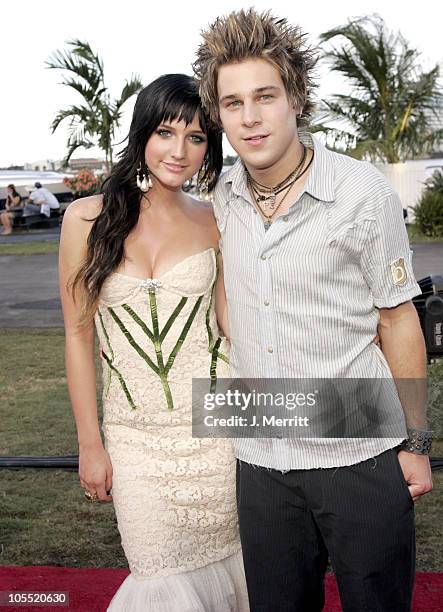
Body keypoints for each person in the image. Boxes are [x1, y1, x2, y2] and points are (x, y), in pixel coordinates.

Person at [194, 9, 433, 611]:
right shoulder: (218, 203)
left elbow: (398, 319)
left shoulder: (361, 192)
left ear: (295, 97)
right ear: (218, 115)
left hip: (360, 451)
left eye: (265, 96)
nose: (249, 117)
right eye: (232, 103)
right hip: (260, 457)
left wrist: (416, 441)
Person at [59, 74, 249, 611]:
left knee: (236, 573)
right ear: (143, 132)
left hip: (218, 436)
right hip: (133, 441)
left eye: (196, 138)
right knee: (156, 574)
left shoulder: (215, 220)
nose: (180, 151)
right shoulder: (85, 218)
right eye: (167, 132)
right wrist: (90, 444)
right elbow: (77, 336)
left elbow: (233, 326)